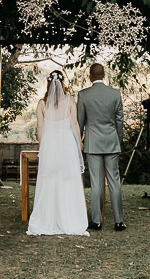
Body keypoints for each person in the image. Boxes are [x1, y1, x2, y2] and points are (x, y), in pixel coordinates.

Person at [27, 70, 89, 236]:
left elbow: (40, 128)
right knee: (67, 179)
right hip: (67, 143)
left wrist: (43, 146)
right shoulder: (69, 101)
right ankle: (70, 218)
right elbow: (74, 124)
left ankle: (48, 219)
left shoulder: (41, 104)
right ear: (63, 84)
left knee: (49, 180)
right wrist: (79, 143)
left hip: (50, 143)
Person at [77, 63, 126, 232]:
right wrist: (117, 140)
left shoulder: (83, 95)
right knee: (114, 181)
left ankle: (96, 221)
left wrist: (80, 142)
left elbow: (80, 122)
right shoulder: (115, 94)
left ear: (90, 76)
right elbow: (120, 121)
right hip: (111, 141)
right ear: (104, 75)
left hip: (93, 143)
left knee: (96, 183)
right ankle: (119, 221)